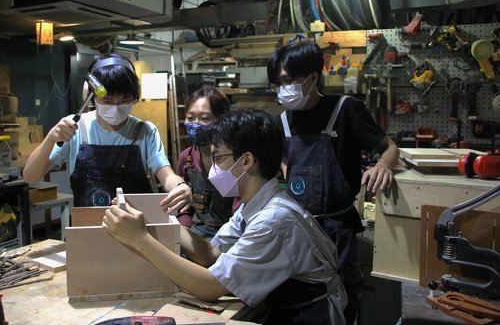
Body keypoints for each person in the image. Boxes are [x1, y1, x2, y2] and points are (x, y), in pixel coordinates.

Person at [103, 109, 347, 324]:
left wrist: (140, 239)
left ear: (246, 161)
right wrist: (161, 224)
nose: (212, 169)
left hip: (309, 316)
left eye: (218, 158)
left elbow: (210, 287)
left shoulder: (274, 221)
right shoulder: (254, 205)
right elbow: (211, 254)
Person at [267, 40, 399, 325]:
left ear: (313, 77)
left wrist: (382, 165)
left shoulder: (345, 109)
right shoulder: (282, 122)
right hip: (298, 228)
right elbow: (283, 158)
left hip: (338, 228)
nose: (283, 89)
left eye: (288, 80)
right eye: (278, 83)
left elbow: (389, 146)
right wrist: (290, 171)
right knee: (304, 297)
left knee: (345, 296)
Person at [23, 53, 191, 212]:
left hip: (135, 227)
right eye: (107, 101)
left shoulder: (145, 131)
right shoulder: (75, 128)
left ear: (135, 97)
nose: (115, 108)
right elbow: (30, 176)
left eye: (124, 100)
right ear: (89, 96)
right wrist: (51, 137)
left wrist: (180, 187)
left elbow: (167, 176)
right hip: (89, 225)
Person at [176, 86, 240, 239]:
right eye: (190, 118)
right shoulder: (187, 158)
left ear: (222, 120)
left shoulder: (235, 158)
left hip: (231, 233)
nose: (195, 124)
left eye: (204, 118)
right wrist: (182, 231)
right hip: (198, 230)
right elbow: (185, 209)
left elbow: (242, 208)